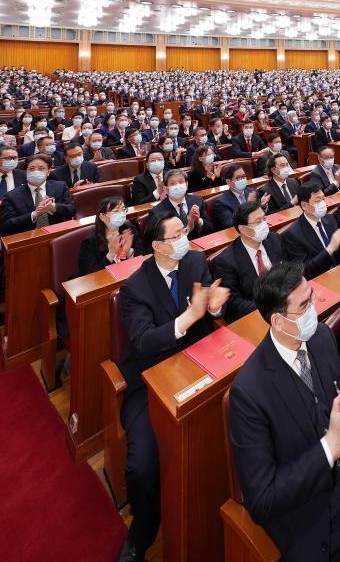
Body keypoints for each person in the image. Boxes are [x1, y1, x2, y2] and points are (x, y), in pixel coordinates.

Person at [229, 261, 340, 562]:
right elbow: (262, 500)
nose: (314, 308)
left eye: (312, 297)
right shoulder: (249, 392)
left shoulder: (321, 337)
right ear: (277, 321)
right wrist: (330, 448)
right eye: (304, 306)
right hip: (316, 523)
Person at [117, 213, 229, 562]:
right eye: (178, 234)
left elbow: (208, 302)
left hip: (199, 359)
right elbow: (143, 341)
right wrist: (189, 318)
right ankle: (143, 528)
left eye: (185, 231)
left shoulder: (194, 260)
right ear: (157, 245)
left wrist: (214, 307)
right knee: (141, 464)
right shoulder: (135, 288)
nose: (185, 238)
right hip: (151, 375)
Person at [214, 200, 286, 322]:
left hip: (286, 302)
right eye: (258, 221)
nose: (264, 224)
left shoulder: (274, 239)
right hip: (256, 314)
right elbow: (234, 303)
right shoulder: (226, 261)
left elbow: (288, 270)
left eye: (264, 219)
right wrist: (271, 308)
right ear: (243, 229)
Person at [281, 181, 340, 278]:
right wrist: (330, 249)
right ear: (304, 205)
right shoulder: (293, 234)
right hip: (319, 279)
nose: (323, 204)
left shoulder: (330, 219)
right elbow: (305, 271)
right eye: (318, 201)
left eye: (323, 199)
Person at [0, 153, 76, 235]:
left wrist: (54, 207)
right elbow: (6, 225)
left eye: (41, 168)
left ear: (48, 172)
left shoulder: (60, 187)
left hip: (57, 234)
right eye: (31, 169)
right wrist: (34, 214)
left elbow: (72, 210)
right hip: (28, 237)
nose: (36, 171)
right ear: (26, 172)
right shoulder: (12, 196)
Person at [78, 195, 143, 276]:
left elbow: (142, 256)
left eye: (123, 210)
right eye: (116, 211)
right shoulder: (90, 242)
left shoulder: (129, 229)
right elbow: (90, 275)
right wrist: (111, 253)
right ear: (102, 217)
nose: (121, 214)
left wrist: (128, 252)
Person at [148, 169, 213, 238]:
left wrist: (198, 221)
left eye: (181, 182)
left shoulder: (197, 201)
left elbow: (210, 228)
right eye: (172, 183)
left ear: (186, 185)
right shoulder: (157, 212)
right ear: (166, 189)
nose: (177, 186)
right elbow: (159, 241)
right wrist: (188, 227)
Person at [212, 163, 269, 230]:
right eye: (238, 178)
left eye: (244, 176)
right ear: (229, 182)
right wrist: (247, 206)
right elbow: (230, 224)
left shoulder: (252, 191)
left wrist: (263, 206)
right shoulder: (222, 202)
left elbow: (259, 215)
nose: (242, 180)